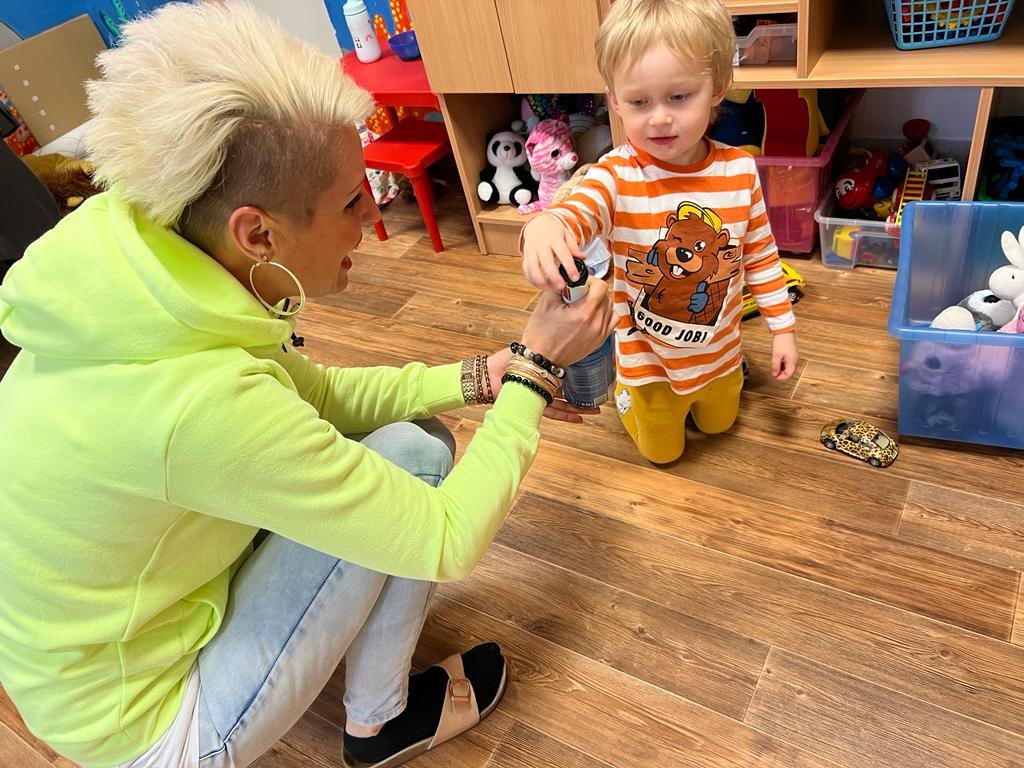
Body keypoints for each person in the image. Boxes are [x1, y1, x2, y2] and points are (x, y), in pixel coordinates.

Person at [0, 3, 614, 768]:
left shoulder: (147, 270)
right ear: (257, 234)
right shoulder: (197, 404)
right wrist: (535, 371)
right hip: (144, 723)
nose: (370, 217)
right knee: (415, 463)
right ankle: (379, 723)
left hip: (106, 632)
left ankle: (371, 707)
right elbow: (448, 541)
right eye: (353, 201)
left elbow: (314, 399)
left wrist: (482, 377)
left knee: (416, 441)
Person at [520, 0, 800, 465]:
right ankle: (627, 398)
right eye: (638, 102)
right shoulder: (616, 174)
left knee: (721, 425)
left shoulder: (740, 170)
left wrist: (782, 328)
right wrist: (545, 224)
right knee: (663, 455)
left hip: (722, 354)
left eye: (679, 96)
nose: (659, 118)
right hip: (649, 365)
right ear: (614, 100)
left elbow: (761, 257)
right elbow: (577, 208)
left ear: (719, 87)